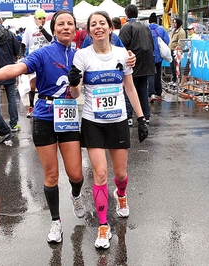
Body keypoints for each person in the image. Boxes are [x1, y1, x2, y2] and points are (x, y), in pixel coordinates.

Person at [0, 10, 86, 244]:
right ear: (54, 28)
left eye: (70, 24)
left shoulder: (81, 56)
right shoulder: (43, 53)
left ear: (75, 29)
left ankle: (76, 195)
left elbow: (92, 77)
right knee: (51, 174)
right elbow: (16, 68)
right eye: (61, 24)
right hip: (44, 117)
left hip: (68, 116)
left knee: (76, 174)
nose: (66, 27)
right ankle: (56, 222)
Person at [68, 11, 148, 249]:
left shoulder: (124, 55)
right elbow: (75, 94)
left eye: (102, 23)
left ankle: (121, 195)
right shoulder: (82, 56)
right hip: (93, 122)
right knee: (100, 174)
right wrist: (74, 82)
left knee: (120, 175)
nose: (98, 27)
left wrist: (142, 118)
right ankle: (103, 226)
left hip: (118, 120)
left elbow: (131, 89)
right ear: (89, 30)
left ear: (110, 28)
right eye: (93, 24)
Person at [119, 4, 155, 126]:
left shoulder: (127, 27)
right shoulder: (146, 26)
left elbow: (120, 46)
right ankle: (146, 115)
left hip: (132, 63)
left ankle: (129, 116)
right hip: (146, 63)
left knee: (129, 89)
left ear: (127, 14)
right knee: (142, 90)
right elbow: (152, 44)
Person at [0, 13, 21, 132]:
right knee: (12, 98)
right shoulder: (11, 35)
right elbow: (17, 51)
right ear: (1, 21)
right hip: (9, 70)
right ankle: (14, 124)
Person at [22, 8, 52, 118]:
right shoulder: (29, 29)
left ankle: (44, 106)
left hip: (47, 58)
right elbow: (24, 43)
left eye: (44, 18)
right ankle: (31, 106)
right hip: (34, 59)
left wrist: (41, 28)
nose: (42, 20)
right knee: (33, 85)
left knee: (46, 83)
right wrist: (21, 56)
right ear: (35, 19)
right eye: (40, 18)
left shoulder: (48, 27)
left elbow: (49, 39)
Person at [147, 12, 170, 102]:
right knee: (158, 73)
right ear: (156, 21)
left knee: (150, 74)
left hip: (148, 55)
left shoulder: (146, 29)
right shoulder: (161, 29)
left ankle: (151, 92)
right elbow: (167, 41)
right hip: (159, 56)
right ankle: (158, 91)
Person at [168, 18, 186, 85]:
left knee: (176, 66)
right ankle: (174, 79)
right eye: (173, 22)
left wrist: (177, 49)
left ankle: (178, 80)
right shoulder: (173, 31)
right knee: (172, 66)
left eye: (175, 22)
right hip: (171, 50)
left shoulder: (181, 32)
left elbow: (181, 43)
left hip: (176, 51)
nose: (174, 24)